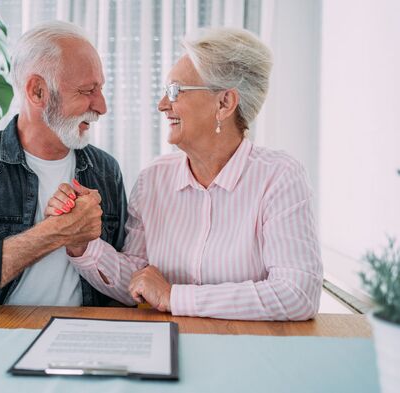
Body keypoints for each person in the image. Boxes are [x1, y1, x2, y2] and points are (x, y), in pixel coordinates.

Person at [46, 27, 323, 321]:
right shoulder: (154, 178)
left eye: (175, 91)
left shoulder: (280, 177)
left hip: (246, 350)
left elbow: (297, 294)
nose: (163, 105)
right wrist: (80, 243)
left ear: (224, 103)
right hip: (166, 348)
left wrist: (174, 296)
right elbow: (139, 280)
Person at [0, 21, 127, 314]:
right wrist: (53, 233)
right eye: (86, 91)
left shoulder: (105, 170)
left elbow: (123, 284)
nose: (102, 106)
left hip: (83, 340)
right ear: (38, 91)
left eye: (101, 89)